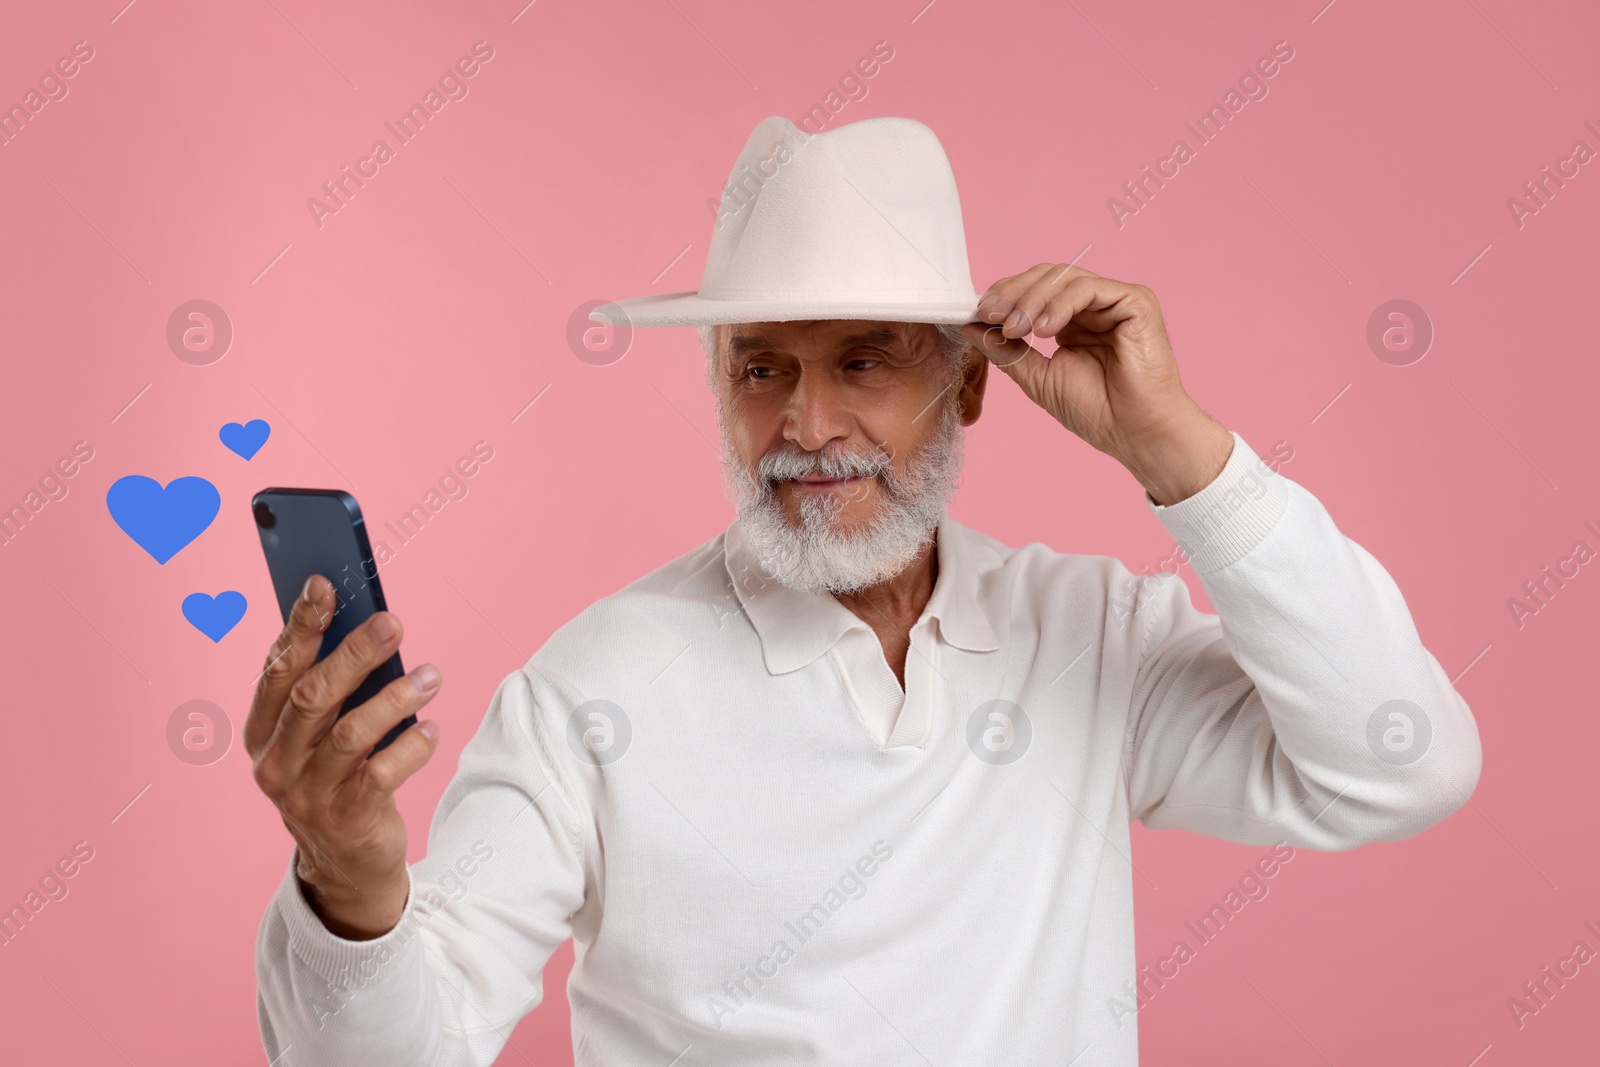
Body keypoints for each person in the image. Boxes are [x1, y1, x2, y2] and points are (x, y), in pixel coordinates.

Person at [250, 116, 1481, 1066]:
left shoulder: (1087, 634)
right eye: (763, 365)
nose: (805, 420)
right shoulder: (593, 688)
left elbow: (1399, 764)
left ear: (970, 385)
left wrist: (1179, 454)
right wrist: (351, 888)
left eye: (863, 360)